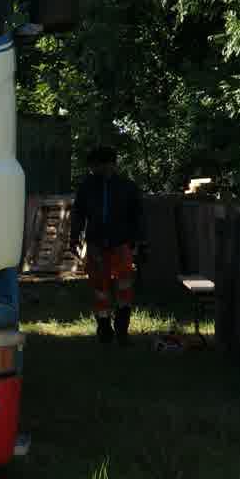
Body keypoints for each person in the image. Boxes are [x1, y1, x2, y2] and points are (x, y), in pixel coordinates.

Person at [68, 146, 145, 345]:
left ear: (109, 164)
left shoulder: (127, 187)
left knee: (124, 286)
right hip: (96, 244)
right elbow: (78, 214)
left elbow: (138, 216)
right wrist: (74, 238)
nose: (93, 170)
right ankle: (103, 328)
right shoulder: (87, 187)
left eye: (96, 165)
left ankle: (122, 328)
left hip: (121, 243)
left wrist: (138, 241)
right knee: (100, 288)